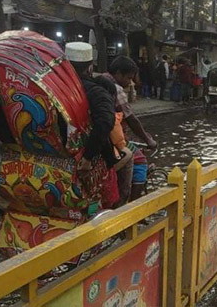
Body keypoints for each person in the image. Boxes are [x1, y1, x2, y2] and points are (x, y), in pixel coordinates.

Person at [66, 42, 121, 208]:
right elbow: (105, 121)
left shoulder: (55, 89)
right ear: (90, 68)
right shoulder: (95, 91)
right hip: (86, 160)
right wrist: (88, 157)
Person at [102, 56, 157, 203]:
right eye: (128, 77)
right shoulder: (117, 89)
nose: (130, 82)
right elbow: (131, 119)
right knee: (140, 160)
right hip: (111, 139)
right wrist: (148, 139)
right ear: (118, 73)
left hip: (101, 134)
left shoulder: (99, 80)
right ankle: (132, 206)